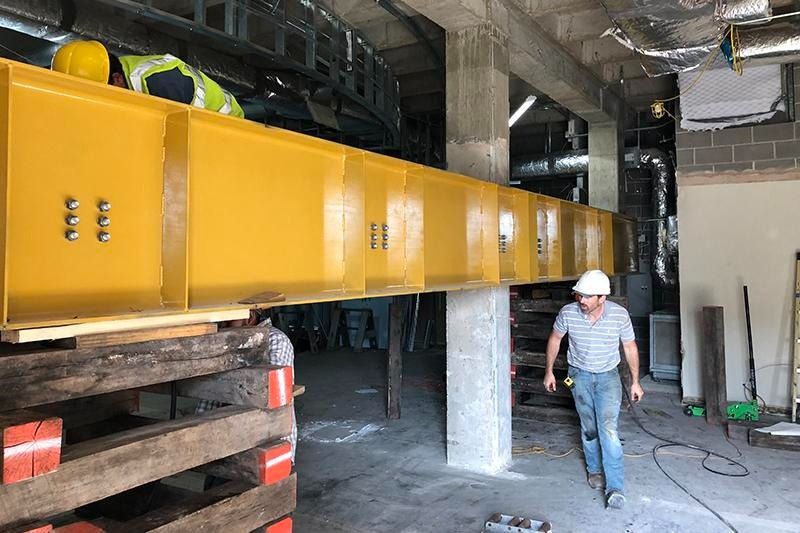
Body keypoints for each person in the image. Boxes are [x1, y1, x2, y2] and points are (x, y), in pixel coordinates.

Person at [543, 269, 644, 510]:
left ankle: (616, 487)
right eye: (579, 295)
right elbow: (555, 339)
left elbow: (629, 346)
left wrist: (635, 381)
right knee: (588, 427)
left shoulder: (619, 316)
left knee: (608, 429)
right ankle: (594, 470)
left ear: (602, 298)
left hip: (608, 377)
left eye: (588, 297)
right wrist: (549, 371)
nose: (582, 301)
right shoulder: (568, 313)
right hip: (577, 377)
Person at [51, 40, 244, 118]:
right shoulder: (119, 73)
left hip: (229, 124)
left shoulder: (160, 81)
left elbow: (178, 134)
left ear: (116, 78)